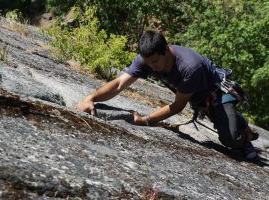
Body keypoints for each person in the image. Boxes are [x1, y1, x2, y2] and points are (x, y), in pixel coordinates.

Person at [76, 30, 259, 159]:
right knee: (220, 119)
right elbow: (119, 84)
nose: (152, 67)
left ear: (166, 49)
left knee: (229, 139)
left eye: (155, 62)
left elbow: (178, 106)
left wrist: (146, 120)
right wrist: (90, 98)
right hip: (197, 97)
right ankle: (235, 122)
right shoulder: (147, 59)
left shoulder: (189, 67)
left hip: (217, 93)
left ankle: (245, 137)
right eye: (149, 63)